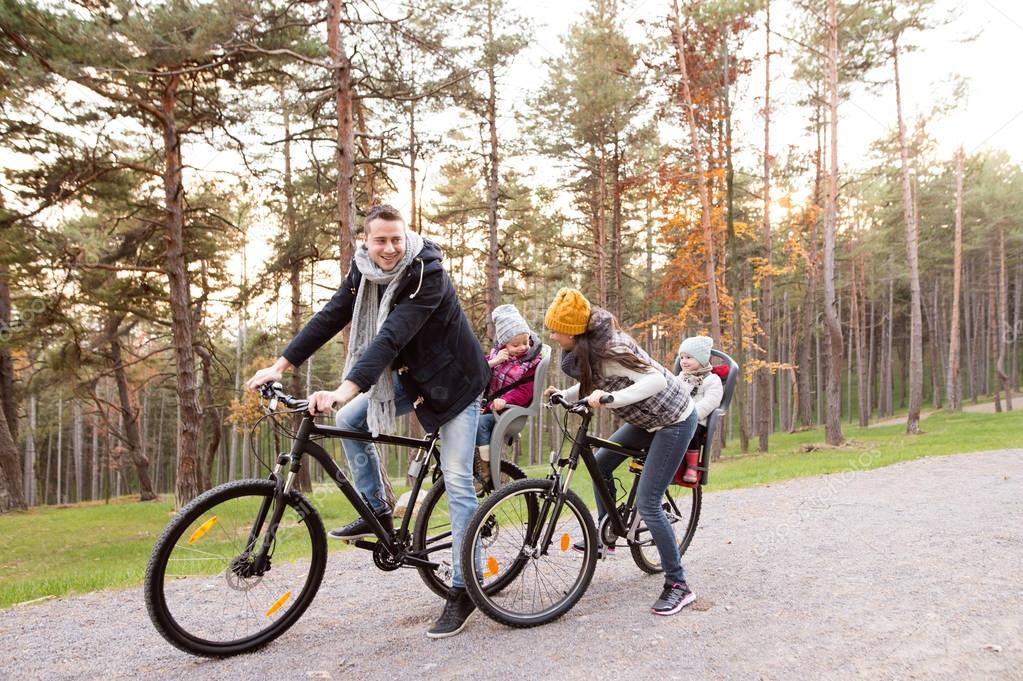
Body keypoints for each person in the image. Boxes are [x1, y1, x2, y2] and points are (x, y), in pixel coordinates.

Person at [245, 204, 489, 639]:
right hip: (411, 376)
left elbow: (390, 335)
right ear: (366, 241)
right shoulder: (364, 272)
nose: (389, 248)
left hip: (455, 381)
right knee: (352, 420)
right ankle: (377, 506)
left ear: (406, 236)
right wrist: (279, 366)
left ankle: (464, 587)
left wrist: (344, 388)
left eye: (396, 239)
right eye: (380, 240)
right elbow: (329, 316)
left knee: (456, 480)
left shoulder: (426, 273)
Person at [542, 288, 698, 616]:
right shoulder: (590, 351)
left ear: (573, 331)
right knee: (600, 464)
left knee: (648, 502)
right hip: (646, 418)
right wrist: (566, 393)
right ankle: (606, 536)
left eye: (556, 329)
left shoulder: (614, 347)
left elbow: (654, 380)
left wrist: (611, 399)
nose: (552, 335)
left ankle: (679, 585)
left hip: (674, 419)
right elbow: (597, 381)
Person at [475, 304, 542, 484]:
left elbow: (524, 392)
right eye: (515, 344)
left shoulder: (530, 364)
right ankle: (470, 461)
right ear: (503, 344)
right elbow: (479, 368)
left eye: (526, 342)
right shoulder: (498, 356)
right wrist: (495, 361)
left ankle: (485, 469)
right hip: (490, 408)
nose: (522, 348)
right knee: (466, 421)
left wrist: (504, 400)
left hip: (508, 411)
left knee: (480, 423)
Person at [676, 336, 724, 484]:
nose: (684, 361)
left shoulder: (712, 380)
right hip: (676, 417)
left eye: (689, 357)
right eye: (682, 357)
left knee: (691, 430)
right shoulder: (681, 378)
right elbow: (672, 394)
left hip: (697, 420)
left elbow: (711, 401)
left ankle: (692, 465)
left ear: (702, 359)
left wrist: (691, 414)